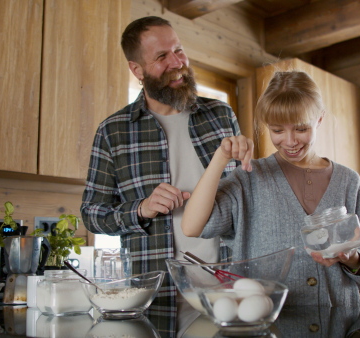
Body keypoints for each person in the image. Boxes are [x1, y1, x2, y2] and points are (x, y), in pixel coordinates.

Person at [80, 16, 241, 334]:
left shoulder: (221, 115)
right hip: (154, 300)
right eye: (161, 57)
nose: (177, 63)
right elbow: (92, 214)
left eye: (178, 50)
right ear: (137, 70)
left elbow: (246, 194)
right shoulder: (113, 131)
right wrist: (140, 209)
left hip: (227, 291)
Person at [181, 70, 360, 306]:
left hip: (339, 325)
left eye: (301, 128)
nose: (290, 141)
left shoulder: (349, 181)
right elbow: (192, 226)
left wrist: (352, 258)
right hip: (269, 326)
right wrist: (221, 157)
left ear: (319, 119)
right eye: (277, 130)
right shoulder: (249, 179)